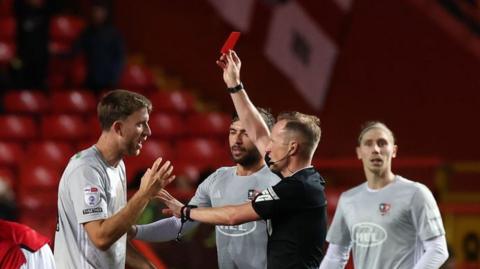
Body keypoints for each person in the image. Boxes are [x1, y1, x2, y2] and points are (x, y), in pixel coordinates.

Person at [160, 50, 327, 269]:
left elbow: (233, 215)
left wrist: (185, 211)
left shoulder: (297, 189)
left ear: (292, 148)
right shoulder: (301, 177)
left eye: (274, 140)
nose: (267, 145)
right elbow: (257, 132)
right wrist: (234, 84)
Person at [131, 108, 281, 269]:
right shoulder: (218, 178)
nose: (236, 140)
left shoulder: (281, 183)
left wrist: (185, 211)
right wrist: (134, 231)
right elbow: (180, 225)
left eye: (246, 133)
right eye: (233, 132)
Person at [54, 89, 176, 268]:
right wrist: (144, 195)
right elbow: (101, 237)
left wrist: (147, 267)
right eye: (141, 124)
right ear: (118, 128)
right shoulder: (86, 169)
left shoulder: (118, 166)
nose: (148, 132)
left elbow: (117, 234)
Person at [319, 121, 449, 269]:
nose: (375, 149)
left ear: (393, 151)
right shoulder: (348, 199)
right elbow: (335, 256)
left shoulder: (416, 193)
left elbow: (438, 249)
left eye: (382, 143)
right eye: (368, 144)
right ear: (359, 152)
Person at [73, 1, 125, 92]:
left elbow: (119, 57)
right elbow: (76, 51)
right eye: (95, 11)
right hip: (90, 79)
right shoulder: (87, 33)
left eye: (100, 11)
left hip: (108, 80)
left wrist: (114, 77)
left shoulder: (113, 34)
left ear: (105, 13)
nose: (97, 14)